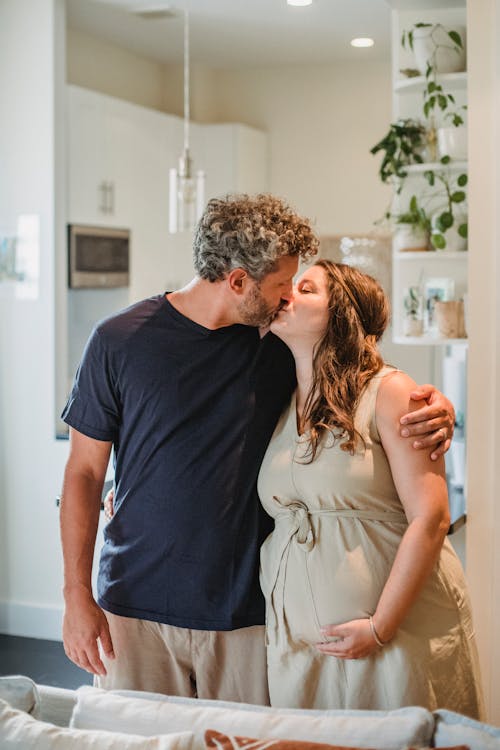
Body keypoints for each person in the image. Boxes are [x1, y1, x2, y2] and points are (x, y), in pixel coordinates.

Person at [59, 194, 455, 704]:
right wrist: (75, 594)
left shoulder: (281, 343)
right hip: (133, 607)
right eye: (280, 285)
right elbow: (84, 476)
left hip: (246, 612)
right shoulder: (117, 340)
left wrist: (435, 405)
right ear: (239, 282)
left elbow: (364, 375)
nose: (287, 296)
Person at [258, 260, 484, 717]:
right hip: (303, 649)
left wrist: (381, 626)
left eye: (306, 289)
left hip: (396, 637)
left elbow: (432, 517)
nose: (286, 296)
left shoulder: (391, 392)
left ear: (342, 313)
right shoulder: (282, 405)